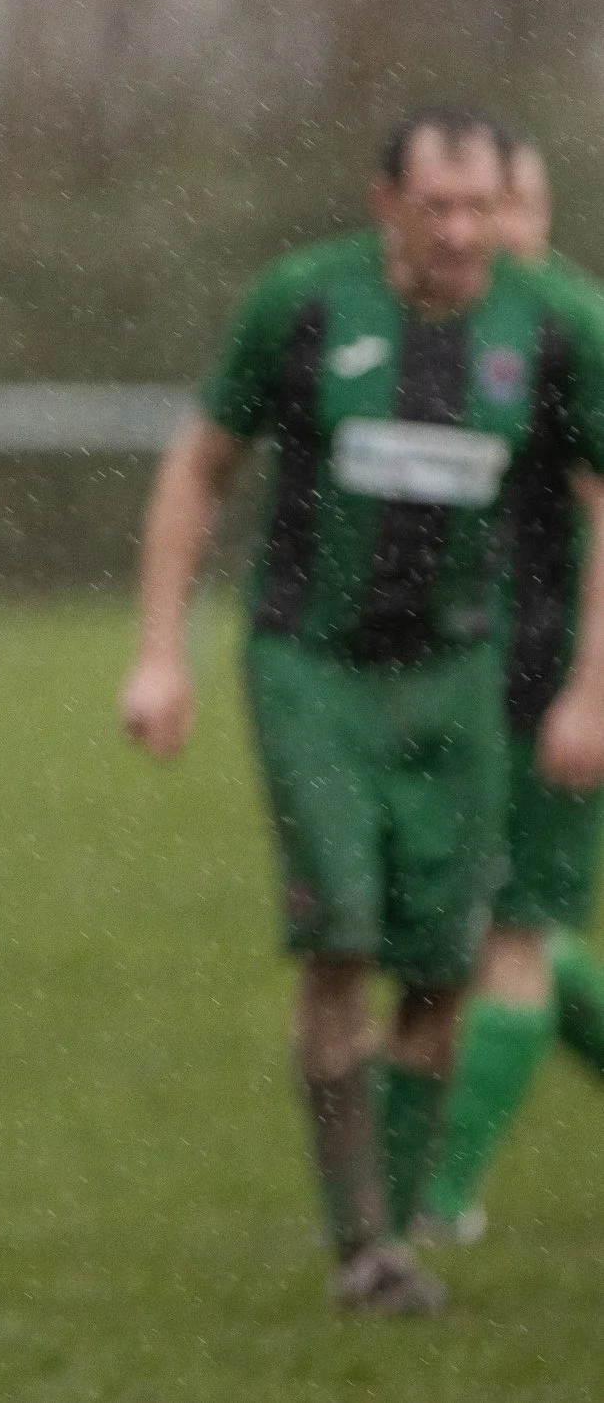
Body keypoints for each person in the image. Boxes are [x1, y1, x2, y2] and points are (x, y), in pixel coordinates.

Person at [120, 106, 604, 1315]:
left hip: (459, 676)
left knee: (443, 966)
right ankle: (365, 1242)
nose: (459, 229)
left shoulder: (554, 325)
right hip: (311, 668)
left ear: (509, 205)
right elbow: (199, 464)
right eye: (434, 205)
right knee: (340, 929)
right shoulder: (303, 302)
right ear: (384, 202)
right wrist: (157, 653)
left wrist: (593, 687)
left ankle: (391, 1226)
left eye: (480, 205)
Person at [417, 141, 604, 1239]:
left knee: (512, 934)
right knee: (504, 921)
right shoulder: (468, 334)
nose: (488, 228)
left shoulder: (575, 332)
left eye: (510, 206)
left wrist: (591, 686)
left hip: (561, 681)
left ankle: (437, 1203)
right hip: (479, 674)